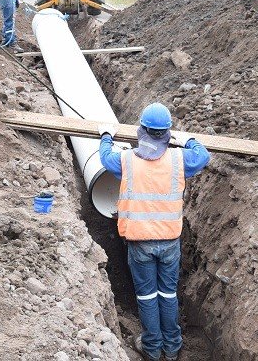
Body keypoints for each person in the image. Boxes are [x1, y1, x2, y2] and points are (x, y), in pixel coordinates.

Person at [97, 103, 210, 361]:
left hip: (140, 244)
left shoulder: (126, 160)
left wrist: (106, 136)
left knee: (147, 296)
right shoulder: (179, 159)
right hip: (170, 242)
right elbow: (203, 156)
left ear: (142, 131)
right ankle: (172, 348)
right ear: (168, 133)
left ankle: (151, 347)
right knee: (168, 294)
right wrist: (190, 140)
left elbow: (105, 158)